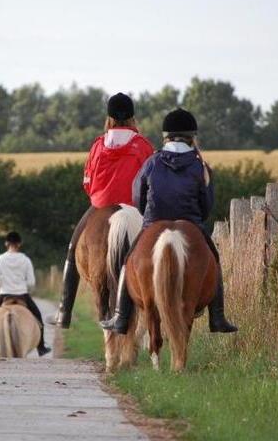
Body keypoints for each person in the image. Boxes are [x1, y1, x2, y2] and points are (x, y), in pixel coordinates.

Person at [100, 108, 238, 334]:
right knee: (214, 257)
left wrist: (149, 221)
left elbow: (137, 196)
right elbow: (207, 204)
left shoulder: (152, 162)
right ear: (192, 136)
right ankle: (218, 316)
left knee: (128, 260)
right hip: (191, 223)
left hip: (154, 221)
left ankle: (121, 317)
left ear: (166, 136)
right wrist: (195, 221)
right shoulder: (200, 166)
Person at [49, 92, 154, 328]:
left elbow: (87, 182)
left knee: (74, 245)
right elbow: (150, 182)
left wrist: (100, 198)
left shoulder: (98, 145)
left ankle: (64, 312)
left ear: (109, 117)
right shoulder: (143, 145)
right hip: (134, 208)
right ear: (132, 117)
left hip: (99, 205)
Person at [0, 231, 51, 356]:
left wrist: (0, 287)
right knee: (38, 317)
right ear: (19, 244)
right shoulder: (25, 260)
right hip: (22, 295)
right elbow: (31, 282)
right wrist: (25, 287)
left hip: (4, 295)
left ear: (6, 243)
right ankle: (41, 346)